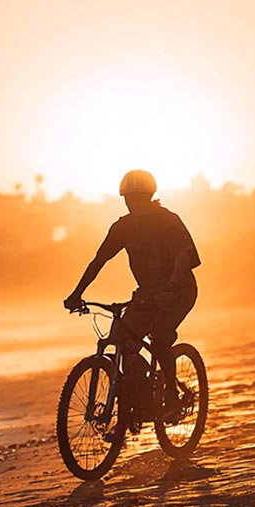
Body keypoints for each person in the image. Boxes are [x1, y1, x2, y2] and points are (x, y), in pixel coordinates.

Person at [64, 169, 200, 418]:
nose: (132, 204)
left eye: (137, 198)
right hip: (147, 294)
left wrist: (171, 286)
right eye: (128, 199)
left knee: (159, 337)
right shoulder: (123, 227)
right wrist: (77, 293)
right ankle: (139, 403)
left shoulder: (168, 220)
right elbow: (99, 260)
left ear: (149, 196)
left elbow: (185, 255)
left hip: (179, 290)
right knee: (122, 341)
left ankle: (172, 393)